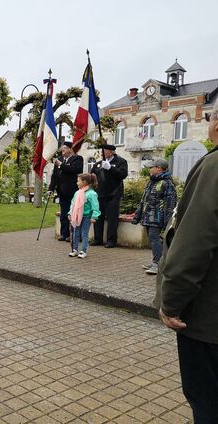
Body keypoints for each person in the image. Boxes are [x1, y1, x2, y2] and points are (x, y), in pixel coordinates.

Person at [156, 101, 218, 422]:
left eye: (209, 118)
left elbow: (193, 243)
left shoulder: (213, 167)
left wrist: (171, 302)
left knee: (207, 403)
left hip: (208, 322)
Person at [132, 158, 177, 275]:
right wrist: (138, 215)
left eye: (151, 167)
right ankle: (156, 261)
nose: (149, 169)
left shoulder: (167, 183)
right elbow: (143, 200)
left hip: (157, 218)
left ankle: (157, 264)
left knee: (154, 239)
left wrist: (167, 221)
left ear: (159, 168)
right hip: (149, 217)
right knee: (153, 239)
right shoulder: (152, 181)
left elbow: (170, 203)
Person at [90, 144, 128, 248]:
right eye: (102, 151)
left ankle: (111, 240)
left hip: (113, 194)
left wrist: (110, 168)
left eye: (105, 151)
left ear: (111, 152)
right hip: (100, 194)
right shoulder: (98, 163)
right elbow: (92, 175)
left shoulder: (121, 162)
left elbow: (123, 175)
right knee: (98, 217)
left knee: (112, 218)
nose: (103, 153)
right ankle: (98, 239)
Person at [48, 141, 84, 241]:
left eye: (65, 148)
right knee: (64, 213)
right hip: (62, 191)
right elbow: (54, 175)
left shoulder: (77, 158)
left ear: (70, 149)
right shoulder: (59, 159)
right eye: (62, 148)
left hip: (73, 191)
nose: (62, 150)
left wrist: (61, 165)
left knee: (73, 213)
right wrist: (51, 188)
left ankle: (73, 234)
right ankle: (64, 234)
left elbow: (75, 170)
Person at [67, 173, 100, 259]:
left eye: (78, 181)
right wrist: (70, 213)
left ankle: (83, 250)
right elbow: (73, 204)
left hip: (86, 217)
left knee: (84, 234)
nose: (77, 183)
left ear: (84, 182)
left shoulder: (92, 194)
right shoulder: (77, 193)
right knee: (75, 233)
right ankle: (74, 250)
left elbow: (95, 206)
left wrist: (94, 216)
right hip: (77, 217)